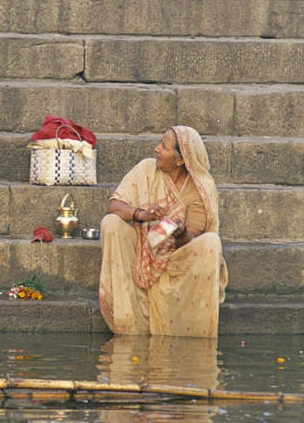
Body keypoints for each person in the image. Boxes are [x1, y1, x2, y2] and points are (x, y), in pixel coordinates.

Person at [98, 126, 228, 337]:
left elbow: (193, 238)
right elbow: (113, 205)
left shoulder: (200, 189)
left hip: (176, 260)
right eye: (160, 143)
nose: (156, 149)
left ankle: (187, 331)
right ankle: (128, 321)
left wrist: (181, 232)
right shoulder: (146, 169)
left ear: (180, 159)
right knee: (111, 223)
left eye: (164, 147)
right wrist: (142, 214)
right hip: (140, 252)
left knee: (211, 242)